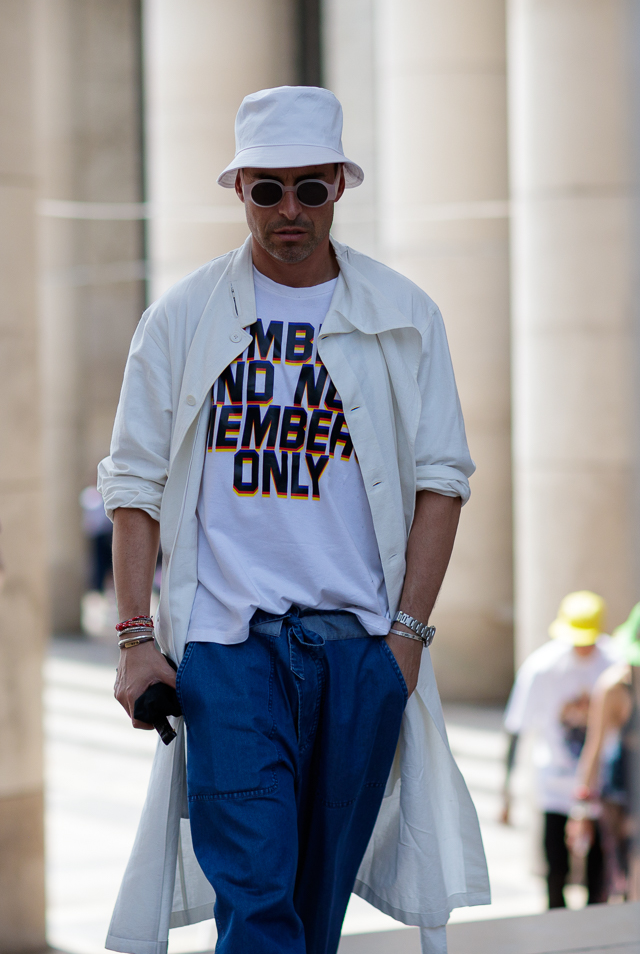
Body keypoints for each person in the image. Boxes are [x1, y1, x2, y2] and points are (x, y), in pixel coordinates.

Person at [98, 86, 489, 954]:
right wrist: (135, 638)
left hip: (359, 652)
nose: (289, 211)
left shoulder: (403, 316)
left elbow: (443, 481)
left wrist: (405, 644)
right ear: (239, 189)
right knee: (257, 893)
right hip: (229, 653)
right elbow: (134, 484)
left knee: (314, 909)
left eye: (310, 188)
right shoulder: (182, 319)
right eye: (267, 189)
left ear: (339, 187)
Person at [501, 591, 618, 908]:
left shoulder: (614, 663)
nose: (582, 646)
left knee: (598, 876)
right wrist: (506, 791)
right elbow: (516, 728)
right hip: (554, 785)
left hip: (599, 785)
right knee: (555, 870)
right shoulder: (542, 666)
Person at [567, 603, 640, 900]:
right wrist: (581, 809)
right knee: (630, 877)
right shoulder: (614, 688)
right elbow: (594, 749)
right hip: (624, 793)